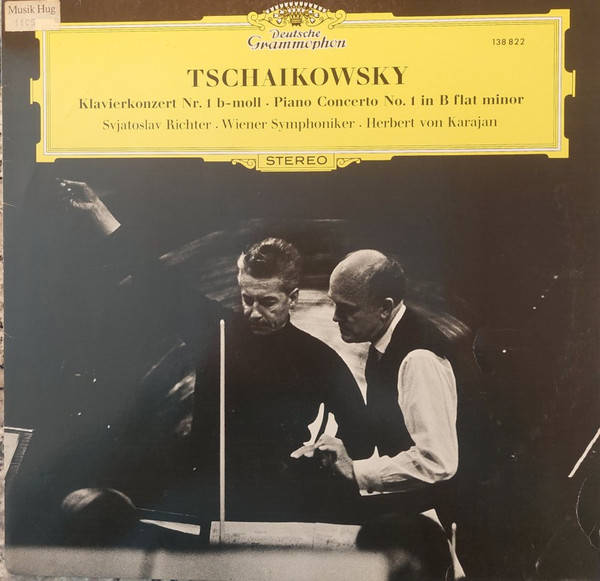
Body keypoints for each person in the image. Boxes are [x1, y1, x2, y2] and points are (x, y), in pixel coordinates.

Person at [54, 179, 371, 527]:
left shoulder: (318, 358)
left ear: (292, 298)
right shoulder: (215, 329)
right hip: (202, 498)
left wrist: (333, 452)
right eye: (247, 298)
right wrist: (98, 210)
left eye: (267, 302)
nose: (254, 312)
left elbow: (363, 434)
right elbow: (153, 279)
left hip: (276, 507)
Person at [293, 249, 458, 517]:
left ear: (385, 308)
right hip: (425, 507)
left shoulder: (418, 358)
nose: (335, 317)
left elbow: (437, 462)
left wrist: (354, 470)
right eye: (334, 304)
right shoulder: (383, 343)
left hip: (453, 519)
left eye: (347, 309)